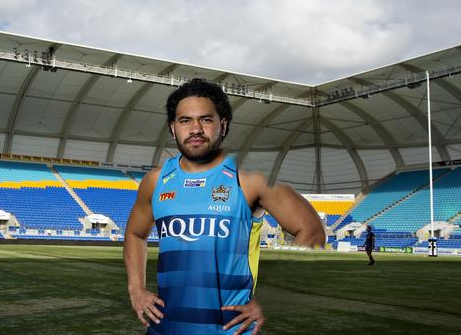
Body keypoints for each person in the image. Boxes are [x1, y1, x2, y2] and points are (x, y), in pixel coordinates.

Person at [123, 78, 326, 335]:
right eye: (185, 120)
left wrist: (270, 299)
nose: (195, 129)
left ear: (224, 124)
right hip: (166, 328)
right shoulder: (156, 180)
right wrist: (136, 289)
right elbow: (135, 233)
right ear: (173, 128)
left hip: (230, 330)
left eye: (206, 119)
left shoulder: (251, 177)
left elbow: (312, 230)